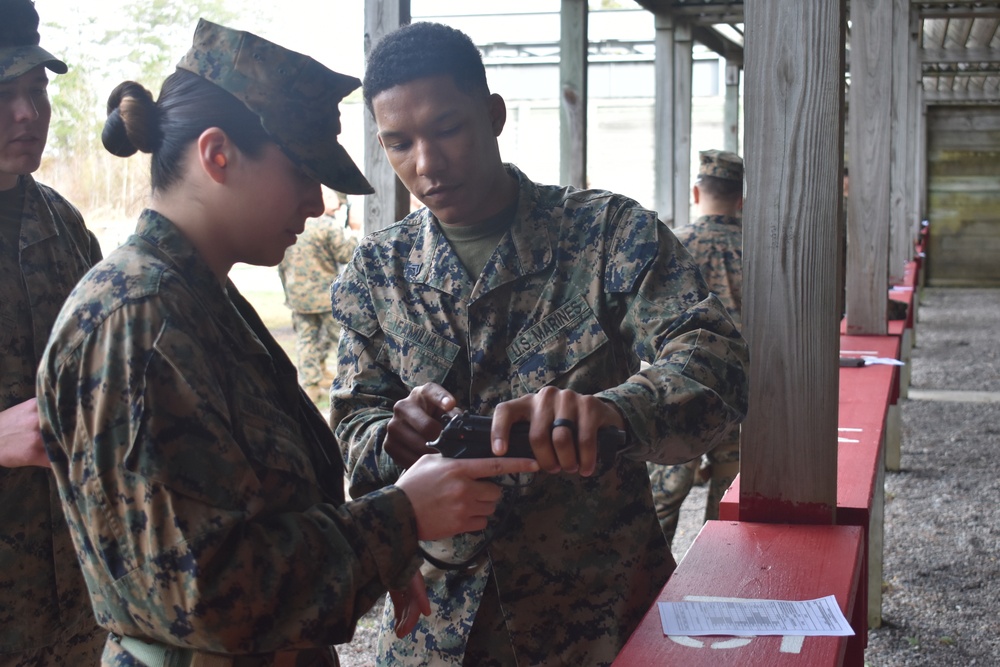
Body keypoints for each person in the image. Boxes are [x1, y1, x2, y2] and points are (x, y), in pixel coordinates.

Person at [35, 19, 539, 667]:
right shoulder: (141, 323)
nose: (315, 200)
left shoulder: (195, 299)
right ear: (218, 155)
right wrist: (400, 518)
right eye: (302, 172)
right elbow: (204, 591)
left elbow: (261, 510)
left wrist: (376, 551)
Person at [330, 22, 750, 667]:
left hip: (599, 612)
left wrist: (614, 411)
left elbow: (716, 363)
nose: (427, 163)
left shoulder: (607, 233)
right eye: (399, 143)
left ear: (493, 115)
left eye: (447, 129)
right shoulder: (375, 274)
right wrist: (392, 436)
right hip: (438, 621)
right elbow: (352, 422)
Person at [0, 1, 107, 663]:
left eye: (36, 89)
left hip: (70, 609)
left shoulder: (63, 224)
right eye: (3, 93)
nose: (26, 114)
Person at [646, 149, 744, 550]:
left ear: (695, 192)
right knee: (729, 506)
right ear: (741, 199)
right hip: (741, 393)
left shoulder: (673, 245)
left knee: (661, 501)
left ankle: (649, 595)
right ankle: (716, 590)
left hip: (678, 393)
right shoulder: (761, 250)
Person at [279, 187, 359, 403]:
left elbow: (282, 266)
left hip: (299, 297)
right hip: (326, 297)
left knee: (306, 341)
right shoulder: (327, 226)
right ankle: (353, 384)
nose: (340, 205)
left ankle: (312, 385)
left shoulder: (294, 226)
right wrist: (352, 231)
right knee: (341, 341)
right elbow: (346, 254)